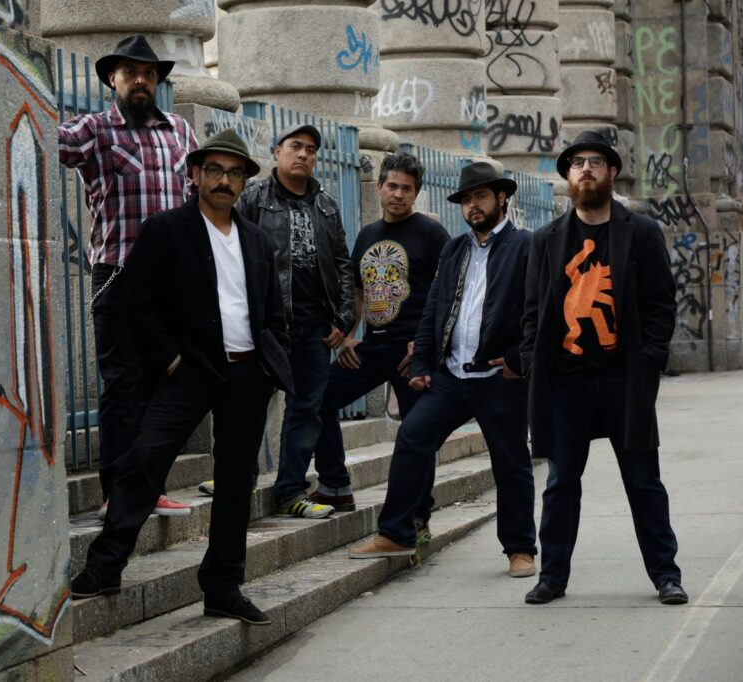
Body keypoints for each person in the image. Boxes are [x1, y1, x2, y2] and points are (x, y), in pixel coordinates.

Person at [69, 130, 293, 626]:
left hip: (247, 372)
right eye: (214, 170)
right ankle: (105, 567)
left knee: (237, 481)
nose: (224, 181)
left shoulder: (256, 240)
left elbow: (273, 310)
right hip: (189, 370)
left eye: (234, 173)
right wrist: (169, 360)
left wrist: (272, 366)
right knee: (145, 459)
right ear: (195, 175)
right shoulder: (165, 230)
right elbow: (138, 301)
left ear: (243, 182)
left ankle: (223, 587)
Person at [349, 162, 538, 579]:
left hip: (499, 378)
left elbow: (541, 309)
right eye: (467, 200)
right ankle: (397, 532)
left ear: (501, 198)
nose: (473, 206)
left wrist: (518, 359)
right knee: (413, 437)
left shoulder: (525, 245)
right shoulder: (456, 249)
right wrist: (421, 362)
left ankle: (520, 548)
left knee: (510, 463)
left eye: (481, 197)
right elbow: (434, 307)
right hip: (452, 377)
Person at [521, 131, 687, 605]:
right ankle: (552, 577)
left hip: (624, 379)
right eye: (577, 163)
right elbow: (532, 310)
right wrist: (532, 363)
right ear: (568, 176)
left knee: (643, 481)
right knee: (560, 483)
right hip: (566, 382)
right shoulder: (547, 239)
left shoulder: (641, 232)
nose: (586, 170)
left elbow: (661, 303)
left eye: (595, 161)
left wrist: (650, 359)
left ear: (612, 172)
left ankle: (666, 575)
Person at [59, 35, 197, 516]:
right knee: (122, 387)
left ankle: (149, 488)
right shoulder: (96, 130)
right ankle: (117, 494)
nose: (141, 80)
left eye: (149, 74)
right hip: (118, 276)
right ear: (112, 79)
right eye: (131, 72)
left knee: (163, 390)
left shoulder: (180, 131)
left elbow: (198, 197)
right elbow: (43, 138)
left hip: (172, 284)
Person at [199, 123, 356, 519]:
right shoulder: (253, 197)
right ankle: (238, 474)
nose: (303, 154)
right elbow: (229, 251)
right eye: (295, 146)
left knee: (307, 407)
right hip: (268, 323)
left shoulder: (326, 204)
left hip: (316, 325)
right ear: (277, 152)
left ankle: (290, 490)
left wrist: (344, 317)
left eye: (311, 149)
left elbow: (342, 261)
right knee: (248, 400)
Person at [285, 153, 449, 523]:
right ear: (379, 187)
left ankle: (417, 517)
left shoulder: (431, 233)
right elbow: (359, 292)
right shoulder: (368, 234)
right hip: (372, 348)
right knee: (319, 399)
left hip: (412, 354)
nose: (398, 194)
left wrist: (425, 345)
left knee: (416, 433)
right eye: (392, 186)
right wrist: (347, 336)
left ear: (416, 193)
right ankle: (335, 486)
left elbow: (448, 292)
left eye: (406, 188)